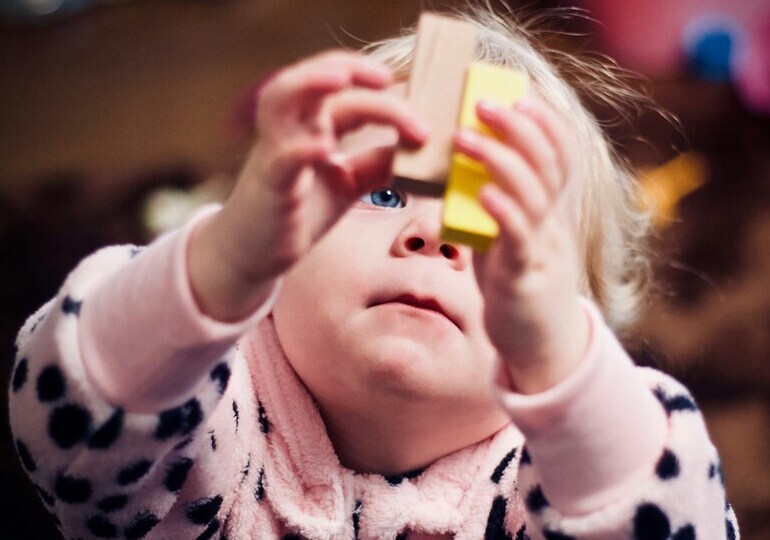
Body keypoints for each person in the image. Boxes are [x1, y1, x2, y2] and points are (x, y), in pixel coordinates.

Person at [9, 4, 739, 539]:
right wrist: (222, 260)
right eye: (384, 194)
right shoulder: (206, 412)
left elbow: (671, 521)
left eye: (494, 230)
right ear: (278, 253)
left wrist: (563, 369)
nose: (431, 233)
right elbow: (69, 424)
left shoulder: (552, 487)